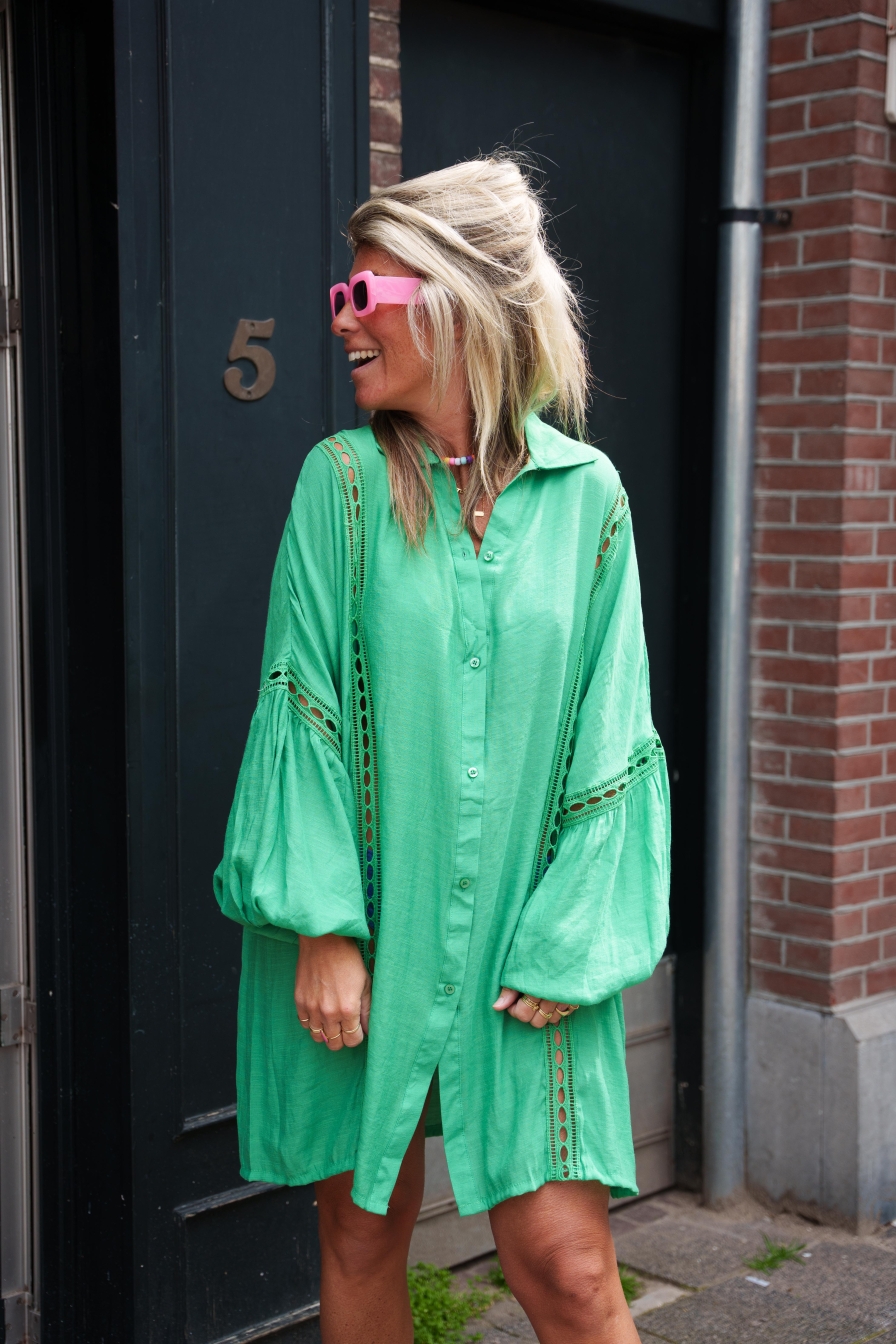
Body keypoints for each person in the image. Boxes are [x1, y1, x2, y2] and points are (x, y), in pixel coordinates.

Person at [214, 157, 670, 1344]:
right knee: (363, 1235)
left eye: (365, 294)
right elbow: (300, 702)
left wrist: (573, 937)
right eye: (340, 294)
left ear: (459, 301)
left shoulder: (588, 500)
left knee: (568, 1269)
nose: (340, 320)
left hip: (529, 933)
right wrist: (321, 928)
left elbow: (614, 733)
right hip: (366, 922)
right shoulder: (341, 487)